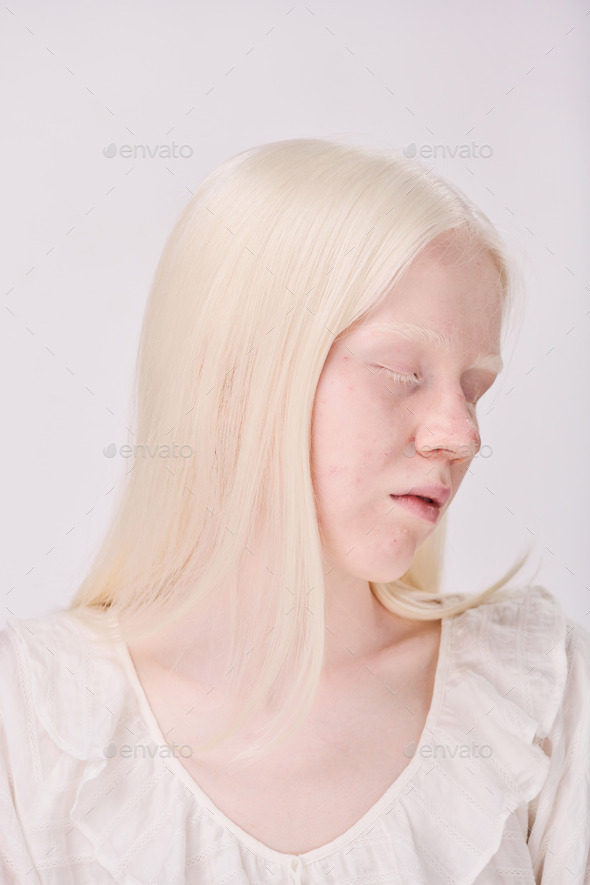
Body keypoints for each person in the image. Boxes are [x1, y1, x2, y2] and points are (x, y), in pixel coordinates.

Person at [1, 138, 589, 885]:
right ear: (235, 381)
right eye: (403, 372)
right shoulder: (32, 722)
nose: (464, 435)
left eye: (474, 388)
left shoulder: (543, 699)